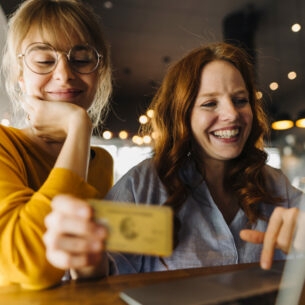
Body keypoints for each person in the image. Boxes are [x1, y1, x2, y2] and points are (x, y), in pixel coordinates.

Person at [43, 42, 302, 280]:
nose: (232, 114)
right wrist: (87, 259)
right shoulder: (146, 185)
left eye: (240, 100)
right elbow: (104, 272)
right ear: (182, 116)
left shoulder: (274, 184)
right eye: (210, 103)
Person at [0, 0, 113, 290]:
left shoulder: (100, 161)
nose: (64, 74)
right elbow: (32, 265)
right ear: (20, 76)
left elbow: (87, 268)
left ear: (99, 72)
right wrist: (78, 126)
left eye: (82, 58)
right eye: (44, 60)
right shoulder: (4, 145)